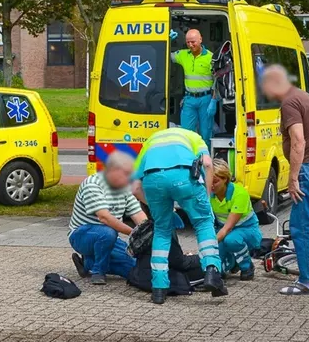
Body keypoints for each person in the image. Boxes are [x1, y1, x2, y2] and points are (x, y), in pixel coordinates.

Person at [132, 127, 227, 304]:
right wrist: (205, 197)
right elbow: (207, 164)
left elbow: (135, 188)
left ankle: (159, 288)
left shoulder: (150, 142)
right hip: (184, 176)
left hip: (153, 180)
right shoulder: (193, 136)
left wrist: (154, 205)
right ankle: (212, 272)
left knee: (161, 230)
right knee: (203, 223)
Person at [261, 65, 309, 295]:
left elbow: (298, 140)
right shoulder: (305, 96)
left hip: (307, 169)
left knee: (302, 227)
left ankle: (308, 280)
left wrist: (292, 178)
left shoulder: (289, 103)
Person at [68, 151, 147, 285]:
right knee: (107, 232)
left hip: (109, 237)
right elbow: (104, 218)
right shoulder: (92, 184)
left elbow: (138, 213)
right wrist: (135, 233)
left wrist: (147, 231)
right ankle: (98, 271)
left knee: (133, 266)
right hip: (81, 236)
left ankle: (89, 263)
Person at [210, 158, 262, 280]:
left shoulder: (239, 194)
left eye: (215, 182)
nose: (211, 185)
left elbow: (227, 228)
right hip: (224, 231)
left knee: (231, 240)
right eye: (209, 181)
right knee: (218, 269)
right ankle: (233, 262)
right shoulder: (209, 194)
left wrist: (208, 245)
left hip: (247, 231)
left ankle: (247, 266)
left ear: (225, 179)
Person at [171, 29, 215, 149]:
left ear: (200, 39)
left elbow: (217, 80)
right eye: (188, 42)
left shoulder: (211, 57)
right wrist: (168, 41)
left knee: (206, 134)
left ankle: (205, 163)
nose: (190, 45)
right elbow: (166, 56)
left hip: (206, 99)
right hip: (189, 99)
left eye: (193, 42)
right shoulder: (183, 55)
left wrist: (214, 101)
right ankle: (189, 163)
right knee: (186, 134)